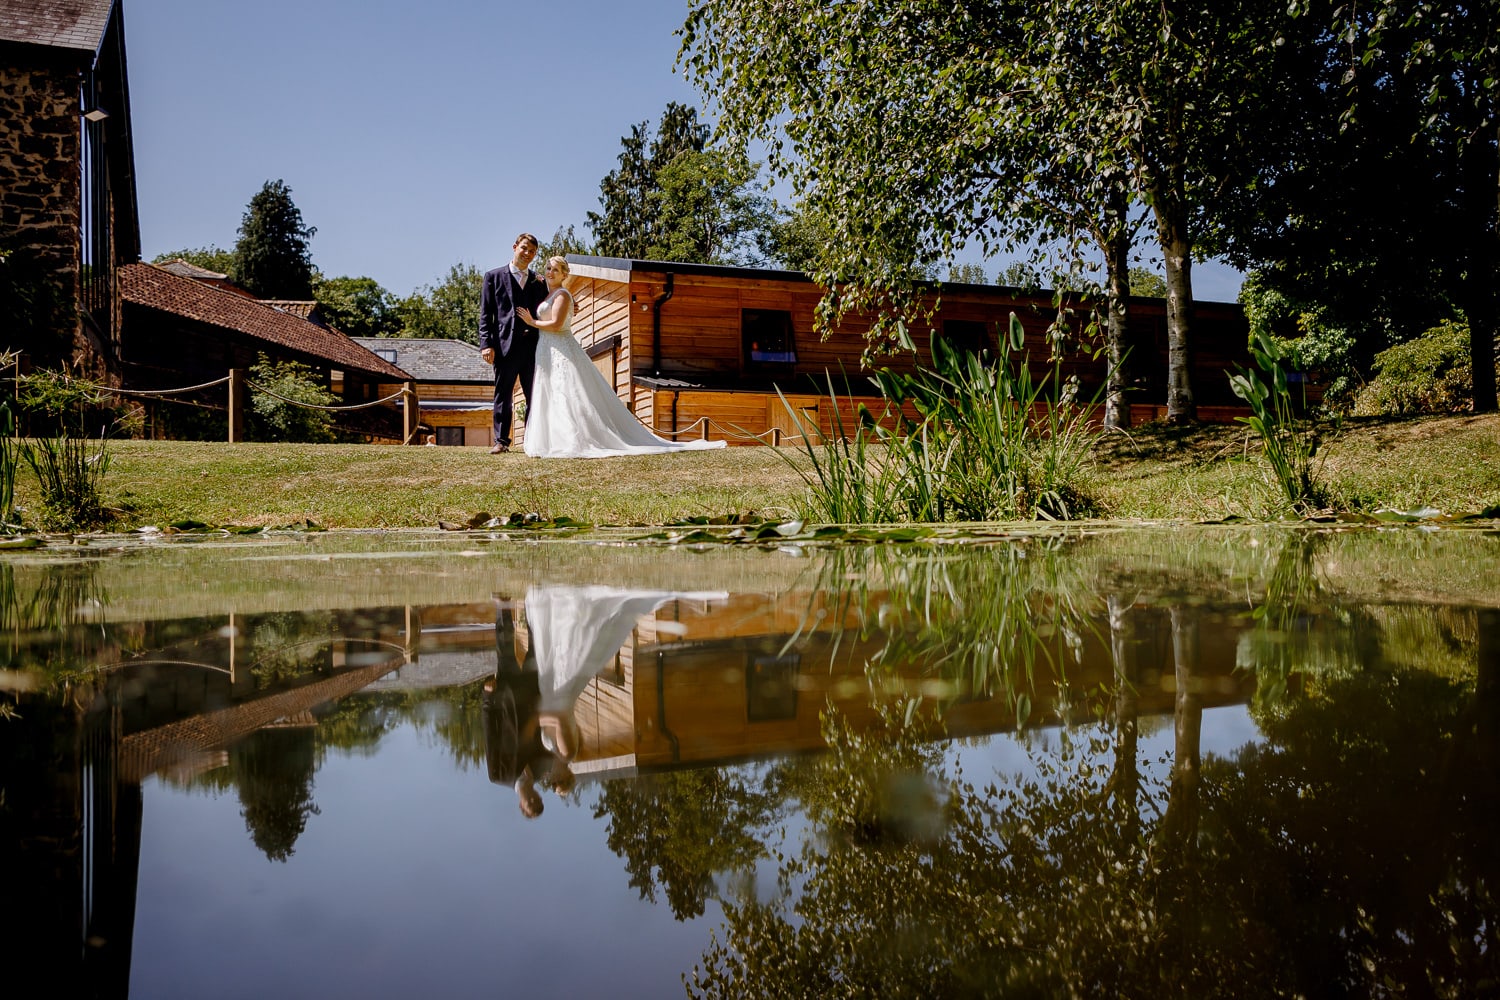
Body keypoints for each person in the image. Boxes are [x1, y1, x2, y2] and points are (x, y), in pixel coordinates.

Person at [516, 256, 729, 458]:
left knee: (566, 391)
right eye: (548, 268)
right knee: (552, 391)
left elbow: (555, 324)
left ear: (564, 274)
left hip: (561, 347)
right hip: (547, 349)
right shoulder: (546, 293)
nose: (551, 272)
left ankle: (572, 440)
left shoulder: (562, 295)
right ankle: (552, 440)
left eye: (556, 269)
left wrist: (531, 322)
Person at [478, 233, 549, 454]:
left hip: (533, 347)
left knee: (534, 395)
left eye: (533, 252)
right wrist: (485, 344)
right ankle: (501, 440)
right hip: (503, 346)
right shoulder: (494, 276)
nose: (528, 254)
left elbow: (549, 305)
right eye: (524, 249)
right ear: (515, 247)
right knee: (503, 394)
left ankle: (532, 440)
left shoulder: (539, 281)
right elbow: (485, 314)